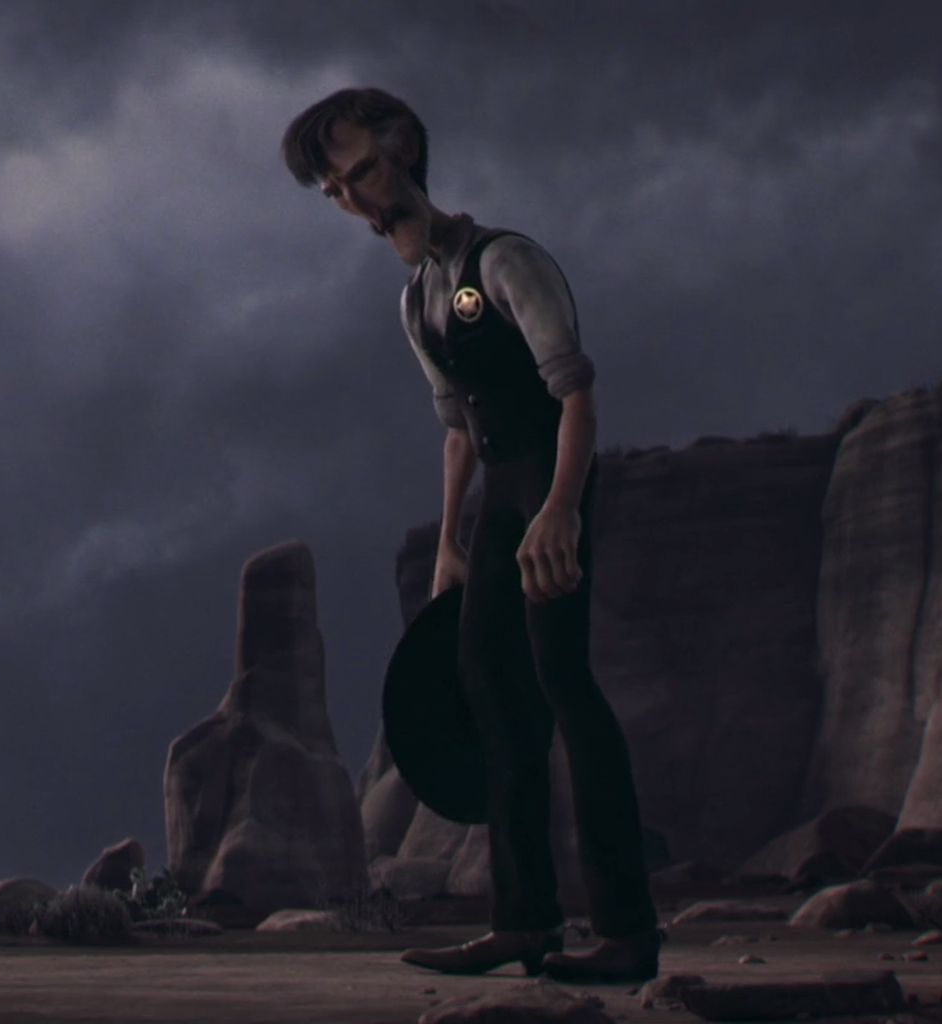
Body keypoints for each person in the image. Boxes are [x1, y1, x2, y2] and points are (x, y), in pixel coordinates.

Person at [280, 87, 663, 984]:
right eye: (335, 190)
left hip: (550, 482)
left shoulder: (506, 261)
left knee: (566, 687)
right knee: (495, 697)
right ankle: (524, 923)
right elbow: (456, 429)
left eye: (361, 172)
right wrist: (451, 541)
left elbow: (574, 395)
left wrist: (561, 509)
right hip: (497, 500)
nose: (354, 199)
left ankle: (627, 932)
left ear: (404, 152)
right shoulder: (417, 299)